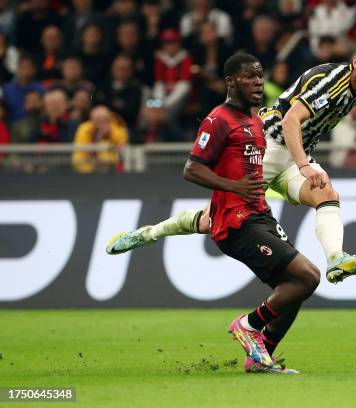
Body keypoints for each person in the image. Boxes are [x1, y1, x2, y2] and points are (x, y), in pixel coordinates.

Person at [106, 40, 356, 284]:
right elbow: (293, 119)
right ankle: (149, 233)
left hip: (296, 155)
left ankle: (335, 259)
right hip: (265, 147)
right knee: (215, 220)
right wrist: (305, 166)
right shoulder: (330, 81)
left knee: (327, 195)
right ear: (355, 62)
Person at [111, 53, 317, 374]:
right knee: (308, 276)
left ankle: (260, 358)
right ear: (231, 81)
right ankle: (248, 326)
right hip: (236, 223)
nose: (258, 82)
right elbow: (192, 169)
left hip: (259, 215)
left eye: (260, 76)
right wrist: (232, 187)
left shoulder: (254, 121)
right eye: (249, 76)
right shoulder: (218, 119)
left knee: (294, 289)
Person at [71, 105, 128, 173]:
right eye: (97, 120)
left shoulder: (119, 131)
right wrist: (97, 139)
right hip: (88, 174)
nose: (100, 125)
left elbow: (120, 157)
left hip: (113, 174)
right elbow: (78, 158)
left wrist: (104, 140)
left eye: (104, 120)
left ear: (109, 120)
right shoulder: (84, 129)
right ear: (92, 120)